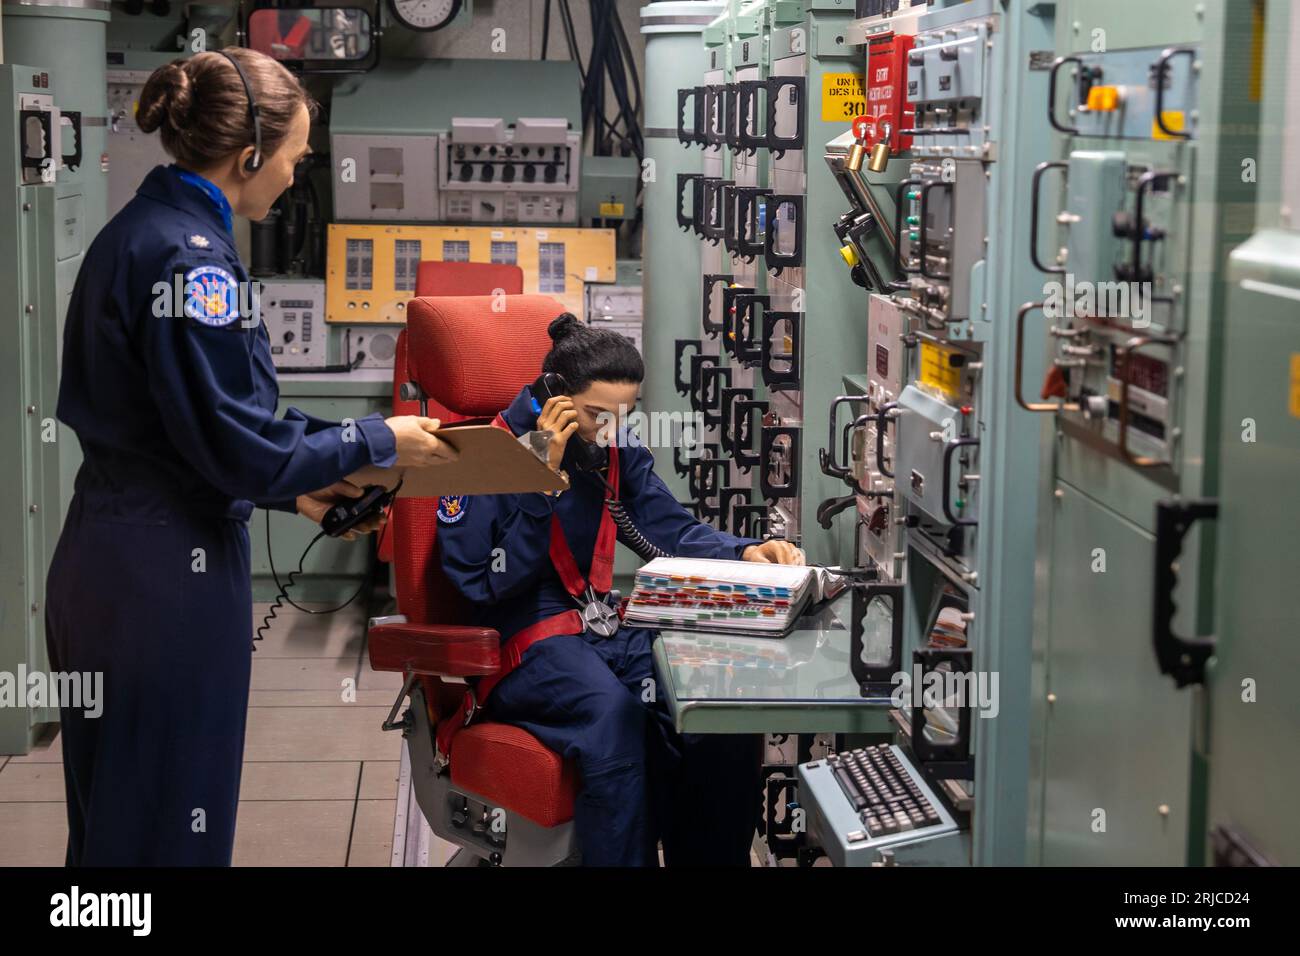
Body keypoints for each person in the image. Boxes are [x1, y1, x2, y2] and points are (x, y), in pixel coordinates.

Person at [45, 48, 455, 866]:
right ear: (249, 156)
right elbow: (234, 440)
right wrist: (383, 440)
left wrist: (299, 490)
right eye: (297, 159)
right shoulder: (195, 260)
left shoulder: (140, 230)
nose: (296, 177)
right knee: (167, 829)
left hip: (109, 556)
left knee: (116, 824)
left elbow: (188, 425)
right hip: (167, 573)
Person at [437, 314, 805, 866]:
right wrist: (541, 480)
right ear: (555, 397)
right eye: (596, 416)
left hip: (603, 625)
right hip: (526, 641)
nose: (609, 429)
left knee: (715, 706)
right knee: (613, 719)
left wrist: (743, 552)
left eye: (622, 416)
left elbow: (666, 526)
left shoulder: (609, 447)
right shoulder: (477, 457)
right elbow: (485, 584)